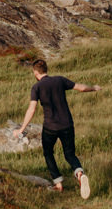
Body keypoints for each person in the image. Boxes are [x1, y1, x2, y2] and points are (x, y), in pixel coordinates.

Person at [13, 59, 100, 198]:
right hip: (67, 125)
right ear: (46, 69)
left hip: (50, 127)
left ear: (35, 73)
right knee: (70, 154)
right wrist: (94, 88)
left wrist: (21, 129)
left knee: (48, 153)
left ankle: (58, 184)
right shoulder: (60, 80)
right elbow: (81, 88)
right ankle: (79, 173)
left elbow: (32, 109)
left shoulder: (37, 87)